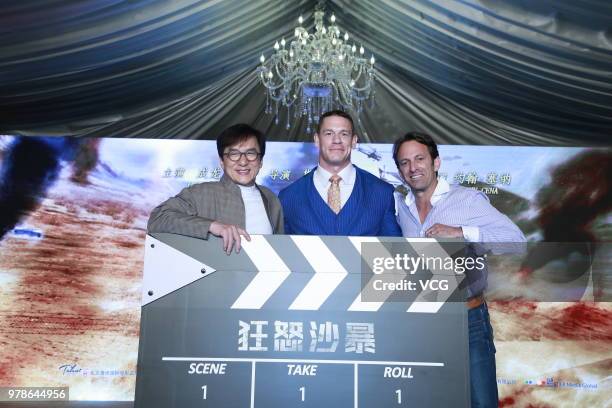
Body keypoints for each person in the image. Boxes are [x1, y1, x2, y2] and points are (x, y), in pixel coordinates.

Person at [392, 131, 526, 408]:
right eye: (405, 162)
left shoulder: (466, 200)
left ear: (436, 162)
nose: (413, 167)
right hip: (420, 324)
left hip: (467, 320)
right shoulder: (399, 207)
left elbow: (516, 242)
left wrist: (462, 232)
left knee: (480, 402)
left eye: (419, 159)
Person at [148, 124, 283, 254]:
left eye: (251, 153)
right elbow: (158, 219)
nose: (243, 162)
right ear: (222, 162)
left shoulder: (271, 199)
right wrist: (211, 226)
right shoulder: (200, 193)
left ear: (260, 161)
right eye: (234, 154)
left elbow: (280, 248)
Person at [279, 110, 401, 236]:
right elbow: (281, 251)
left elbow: (392, 249)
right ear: (317, 140)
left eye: (344, 134)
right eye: (328, 133)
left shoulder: (382, 192)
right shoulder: (288, 197)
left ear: (354, 141)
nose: (336, 140)